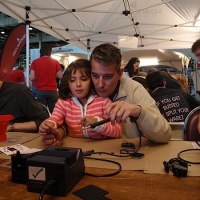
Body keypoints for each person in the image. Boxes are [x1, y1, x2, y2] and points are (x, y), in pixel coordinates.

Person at [41, 43, 171, 146]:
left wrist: (138, 111)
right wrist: (60, 131)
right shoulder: (78, 91)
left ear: (120, 73)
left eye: (108, 77)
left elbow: (164, 134)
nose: (100, 84)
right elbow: (71, 118)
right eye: (95, 75)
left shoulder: (134, 89)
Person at [39, 59, 121, 142]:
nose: (78, 84)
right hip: (74, 146)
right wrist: (48, 124)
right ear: (68, 83)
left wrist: (97, 122)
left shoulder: (104, 101)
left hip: (102, 147)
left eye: (83, 79)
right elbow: (54, 118)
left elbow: (117, 131)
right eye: (72, 80)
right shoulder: (63, 103)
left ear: (92, 80)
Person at [30, 44, 63, 113]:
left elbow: (32, 77)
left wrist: (39, 77)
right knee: (54, 112)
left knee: (42, 112)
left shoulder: (35, 62)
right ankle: (54, 123)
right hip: (53, 90)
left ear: (41, 52)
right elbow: (60, 76)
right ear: (50, 52)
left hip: (40, 90)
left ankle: (44, 123)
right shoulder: (55, 62)